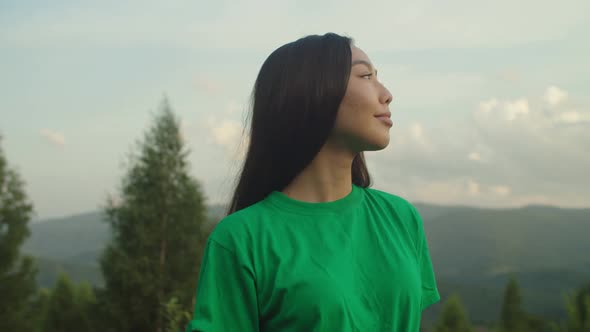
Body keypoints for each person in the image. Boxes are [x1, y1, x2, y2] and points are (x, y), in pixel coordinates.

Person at [186, 32, 440, 332]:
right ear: (315, 93)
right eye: (366, 76)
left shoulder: (400, 217)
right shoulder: (241, 239)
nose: (386, 94)